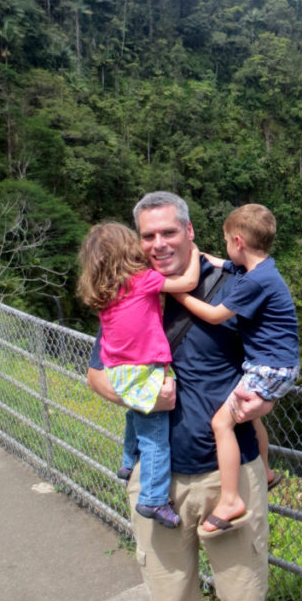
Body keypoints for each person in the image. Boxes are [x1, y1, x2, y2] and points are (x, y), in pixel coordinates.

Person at [86, 191, 267, 601]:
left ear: (190, 231)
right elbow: (95, 373)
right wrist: (136, 393)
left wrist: (261, 402)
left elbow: (273, 358)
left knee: (243, 584)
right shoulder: (129, 287)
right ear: (138, 241)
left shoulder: (235, 281)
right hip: (156, 478)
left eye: (168, 232)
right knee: (168, 592)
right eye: (148, 235)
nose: (158, 244)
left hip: (228, 472)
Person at [172, 203, 299, 536]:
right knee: (250, 416)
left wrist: (179, 296)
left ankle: (230, 500)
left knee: (221, 422)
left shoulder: (254, 282)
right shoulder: (262, 269)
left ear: (239, 241)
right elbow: (226, 263)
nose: (226, 247)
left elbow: (215, 316)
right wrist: (203, 255)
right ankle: (267, 472)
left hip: (268, 367)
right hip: (279, 364)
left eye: (228, 240)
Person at [77, 221, 201, 527]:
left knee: (135, 414)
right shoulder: (141, 281)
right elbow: (187, 282)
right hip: (145, 370)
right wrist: (196, 253)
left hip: (118, 371)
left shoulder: (104, 294)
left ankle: (127, 461)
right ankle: (154, 499)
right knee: (156, 436)